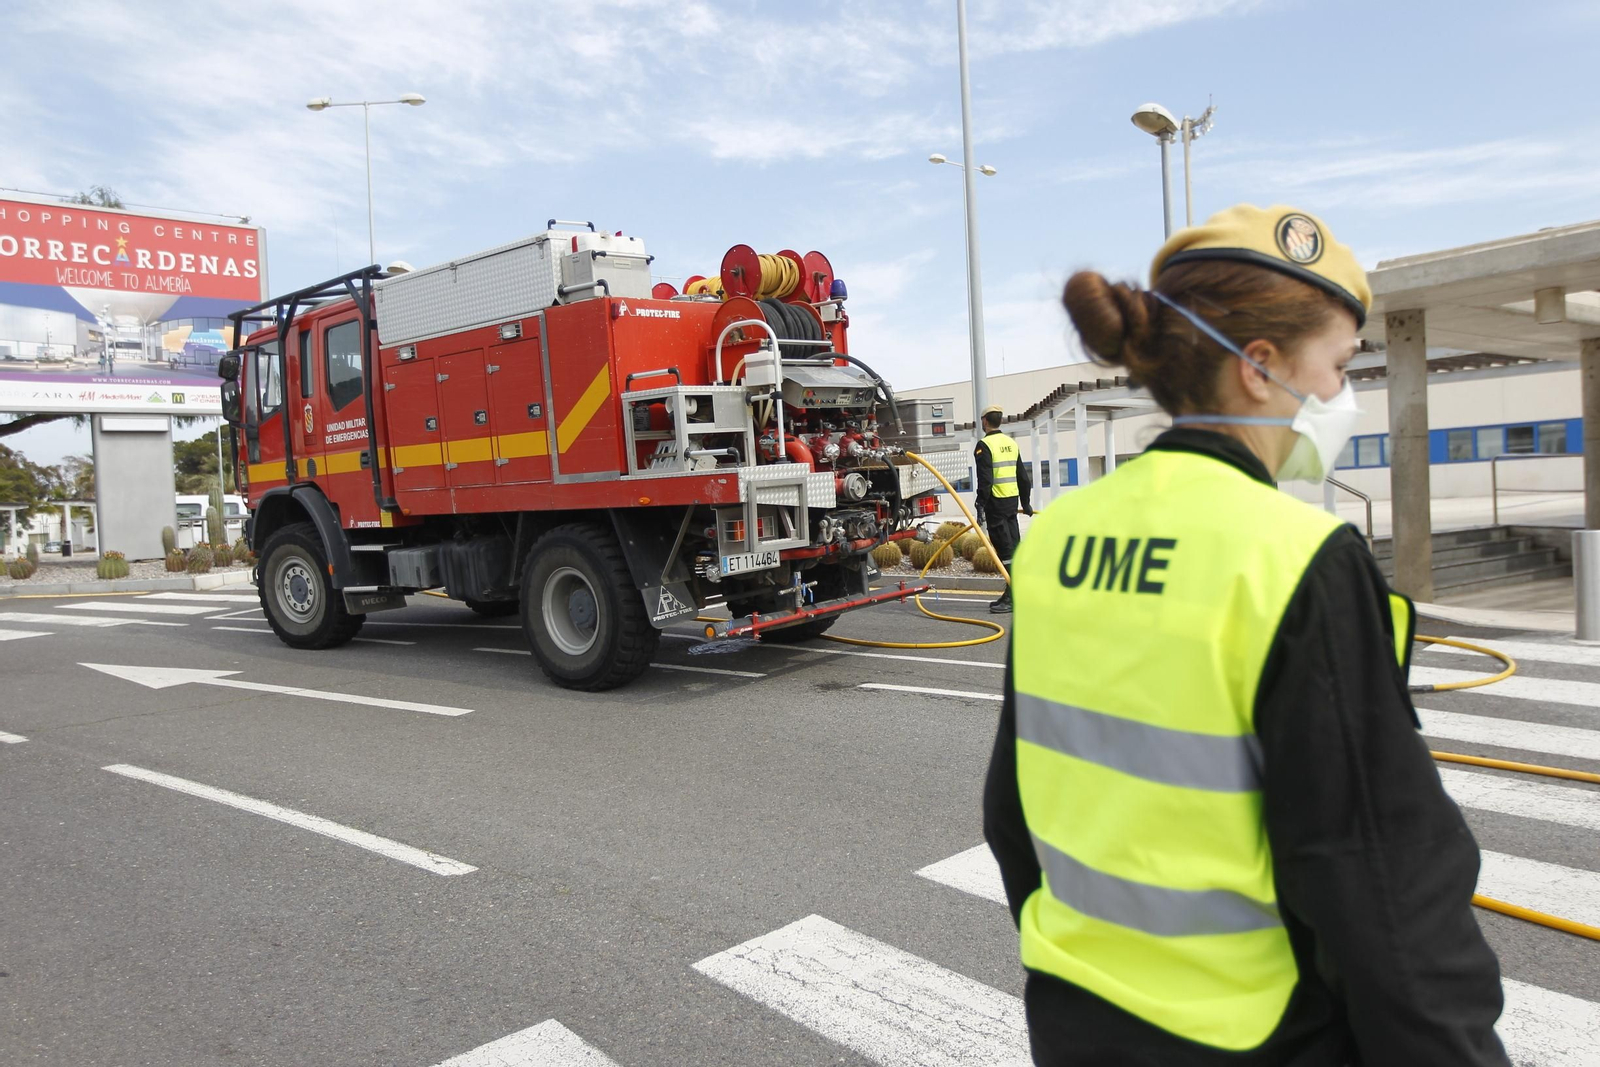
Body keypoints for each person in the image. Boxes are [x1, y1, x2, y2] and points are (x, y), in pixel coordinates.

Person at [983, 205, 1508, 1066]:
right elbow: (1383, 890)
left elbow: (1014, 817)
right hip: (1258, 1039)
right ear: (1261, 369)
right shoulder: (1293, 556)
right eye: (1338, 366)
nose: (1342, 396)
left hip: (1077, 1022)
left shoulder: (1057, 540)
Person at [973, 404, 1033, 614]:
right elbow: (1023, 477)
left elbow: (986, 480)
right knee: (1014, 549)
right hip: (1011, 503)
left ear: (985, 421)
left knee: (1005, 553)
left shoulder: (984, 445)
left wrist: (980, 504)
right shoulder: (1011, 443)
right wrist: (1025, 503)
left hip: (996, 504)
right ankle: (1013, 593)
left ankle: (1013, 597)